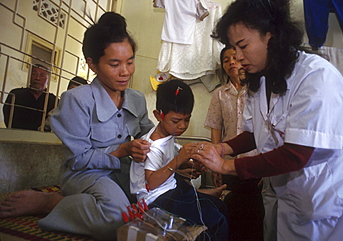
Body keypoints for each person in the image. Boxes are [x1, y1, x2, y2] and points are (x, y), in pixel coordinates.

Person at [192, 0, 343, 240]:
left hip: (323, 202)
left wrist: (226, 166)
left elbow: (298, 153)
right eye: (233, 48)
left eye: (243, 46)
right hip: (285, 195)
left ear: (271, 35)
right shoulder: (260, 79)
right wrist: (221, 148)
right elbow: (256, 132)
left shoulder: (316, 76)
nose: (238, 57)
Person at [0, 12, 154, 240]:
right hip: (86, 174)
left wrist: (175, 158)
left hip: (125, 172)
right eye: (115, 64)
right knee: (117, 217)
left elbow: (148, 135)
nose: (125, 72)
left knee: (162, 201)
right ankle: (53, 202)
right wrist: (122, 151)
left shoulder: (137, 99)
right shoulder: (77, 100)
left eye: (130, 61)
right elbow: (79, 159)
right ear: (92, 64)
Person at [130, 79, 228, 241]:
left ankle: (202, 194)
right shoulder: (152, 146)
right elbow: (151, 183)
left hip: (171, 190)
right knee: (217, 222)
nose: (182, 126)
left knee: (221, 207)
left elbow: (173, 164)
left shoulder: (169, 136)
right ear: (158, 115)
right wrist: (178, 160)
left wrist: (192, 165)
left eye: (187, 119)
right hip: (155, 200)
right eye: (176, 121)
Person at [204, 45, 263, 240]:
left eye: (234, 58)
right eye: (226, 60)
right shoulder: (220, 94)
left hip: (255, 163)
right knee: (231, 212)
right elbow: (216, 129)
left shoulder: (257, 91)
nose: (231, 62)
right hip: (228, 164)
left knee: (255, 215)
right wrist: (215, 165)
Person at [2, 64, 57, 131]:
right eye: (34, 74)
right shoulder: (16, 94)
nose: (37, 78)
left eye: (42, 76)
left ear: (48, 80)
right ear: (29, 76)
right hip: (16, 135)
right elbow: (7, 116)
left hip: (43, 138)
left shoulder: (54, 101)